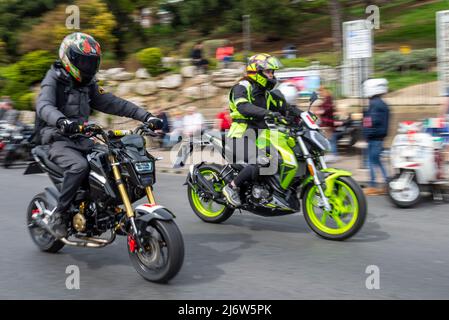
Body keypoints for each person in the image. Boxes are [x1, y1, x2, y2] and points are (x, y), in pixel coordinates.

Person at [36, 32, 163, 238]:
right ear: (69, 58)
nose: (88, 67)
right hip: (57, 138)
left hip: (81, 138)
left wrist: (146, 116)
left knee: (111, 160)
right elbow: (43, 105)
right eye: (83, 61)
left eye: (91, 62)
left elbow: (115, 103)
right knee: (80, 166)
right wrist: (62, 121)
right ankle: (59, 215)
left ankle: (107, 208)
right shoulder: (54, 78)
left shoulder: (89, 85)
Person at [222, 53, 302, 207]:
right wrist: (269, 113)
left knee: (282, 156)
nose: (272, 75)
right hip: (240, 135)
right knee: (262, 160)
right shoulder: (241, 87)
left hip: (260, 136)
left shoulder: (267, 95)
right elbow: (243, 107)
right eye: (269, 72)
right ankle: (231, 187)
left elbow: (287, 108)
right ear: (256, 71)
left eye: (273, 72)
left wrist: (303, 115)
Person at [362, 78, 390, 196]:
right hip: (378, 138)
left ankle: (373, 185)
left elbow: (371, 122)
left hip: (374, 138)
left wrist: (367, 134)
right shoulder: (381, 103)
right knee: (377, 161)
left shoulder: (375, 104)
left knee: (371, 162)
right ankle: (387, 184)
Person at [315, 86, 342, 162]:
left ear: (324, 91)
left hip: (327, 123)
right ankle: (333, 154)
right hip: (327, 123)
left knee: (330, 139)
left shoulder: (328, 99)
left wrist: (321, 111)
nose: (320, 94)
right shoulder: (327, 99)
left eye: (320, 92)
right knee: (330, 139)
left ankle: (333, 155)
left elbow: (327, 109)